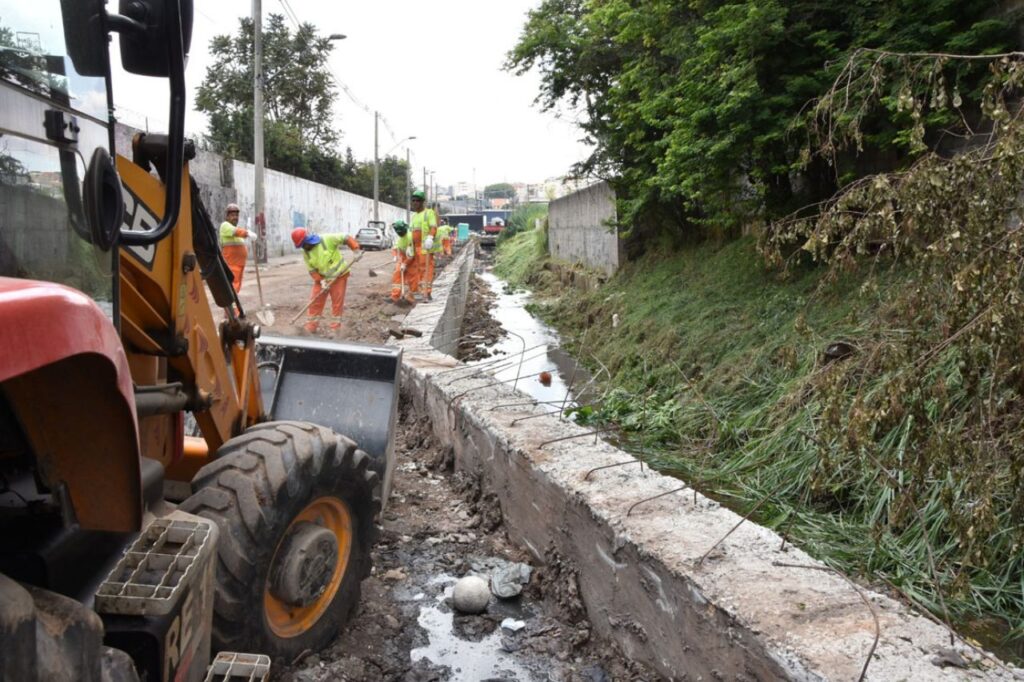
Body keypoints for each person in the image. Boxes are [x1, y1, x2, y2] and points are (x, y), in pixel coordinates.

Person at [290, 227, 361, 333]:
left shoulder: (326, 239)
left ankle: (335, 329)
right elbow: (312, 270)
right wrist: (321, 281)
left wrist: (356, 250)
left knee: (337, 303)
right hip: (322, 280)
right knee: (315, 301)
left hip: (339, 277)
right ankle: (311, 327)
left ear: (308, 239)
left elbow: (346, 237)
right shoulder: (306, 252)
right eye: (301, 246)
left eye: (304, 244)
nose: (304, 247)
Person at [409, 190, 438, 300]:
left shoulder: (428, 213)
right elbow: (411, 232)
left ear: (422, 202)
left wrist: (430, 237)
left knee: (426, 269)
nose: (415, 203)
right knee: (416, 270)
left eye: (417, 201)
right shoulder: (414, 216)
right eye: (413, 201)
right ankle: (419, 291)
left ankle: (427, 293)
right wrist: (409, 246)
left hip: (425, 247)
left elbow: (433, 227)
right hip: (415, 247)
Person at [219, 203, 253, 293]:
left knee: (236, 288)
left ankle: (234, 307)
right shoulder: (225, 226)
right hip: (231, 264)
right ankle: (233, 307)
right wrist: (247, 233)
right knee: (232, 289)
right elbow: (238, 232)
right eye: (232, 215)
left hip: (240, 264)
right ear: (227, 217)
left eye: (236, 215)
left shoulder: (236, 229)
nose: (235, 217)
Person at [390, 220, 417, 305]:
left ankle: (411, 298)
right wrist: (395, 255)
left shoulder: (409, 237)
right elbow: (395, 247)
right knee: (397, 273)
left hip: (412, 260)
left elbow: (411, 255)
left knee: (412, 279)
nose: (399, 233)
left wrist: (405, 264)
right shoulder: (400, 238)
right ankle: (395, 296)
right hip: (403, 258)